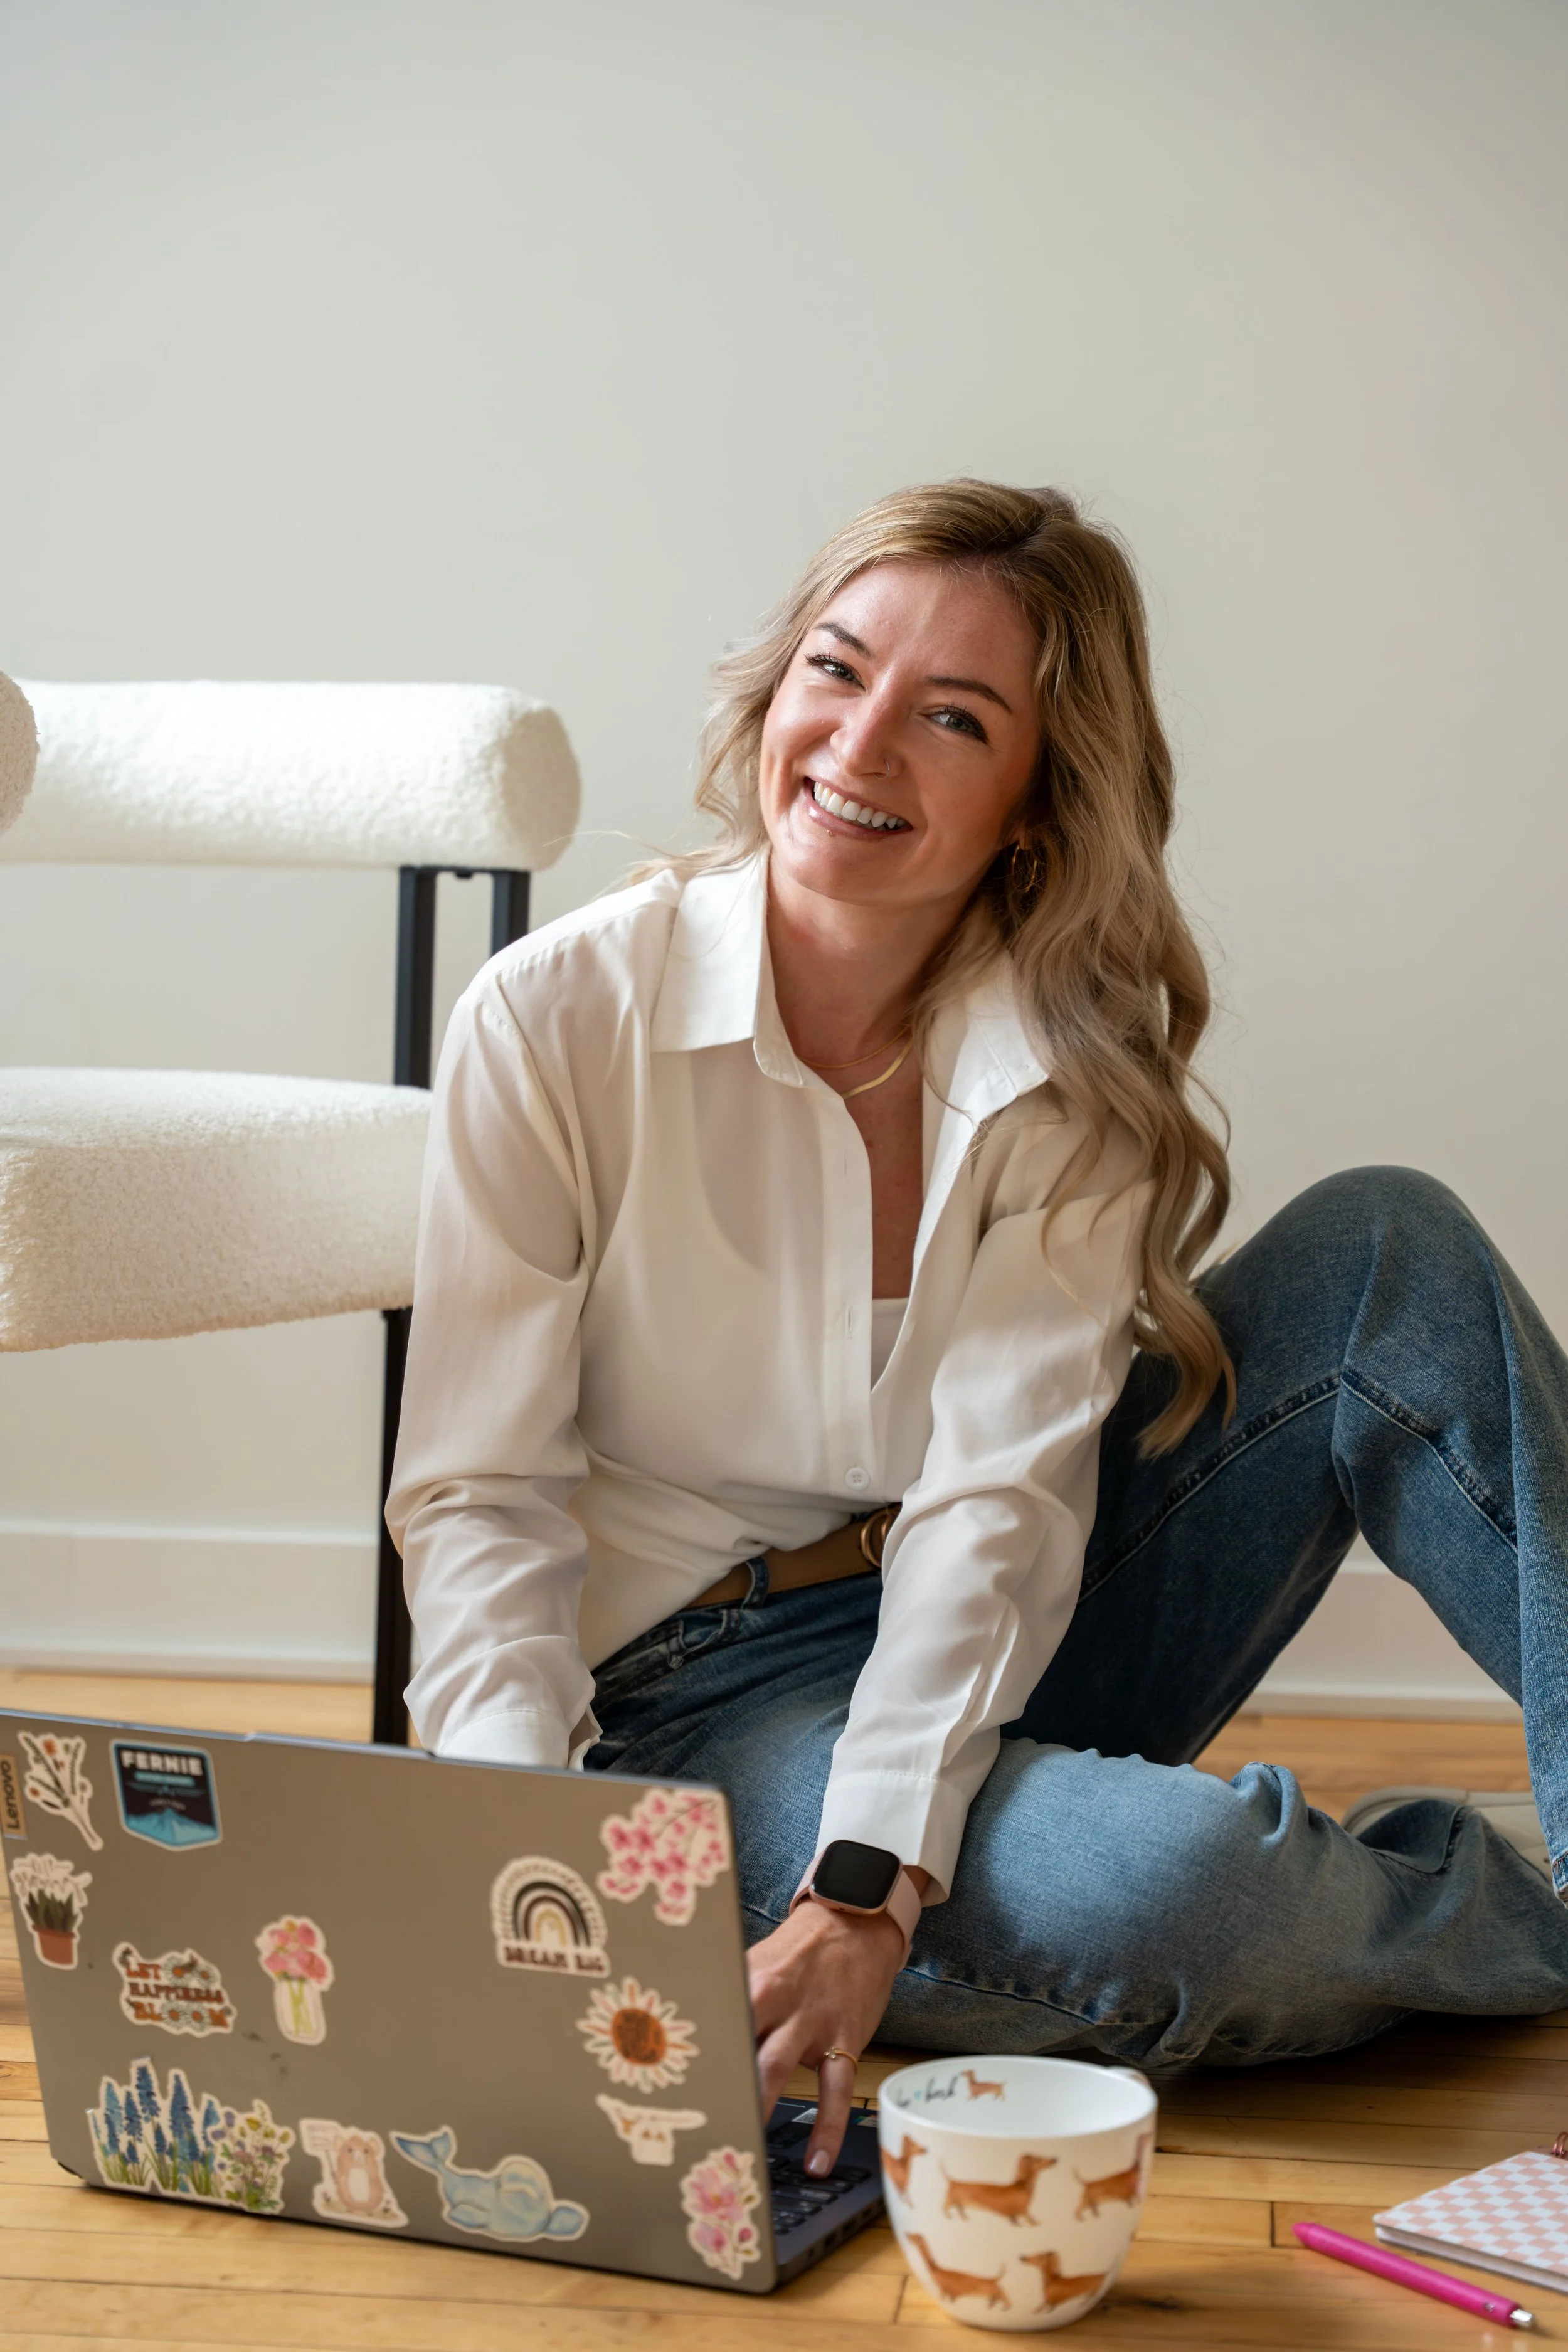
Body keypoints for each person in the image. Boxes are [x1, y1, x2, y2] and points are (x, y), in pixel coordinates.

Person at [388, 479, 1568, 2182]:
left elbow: (999, 1502)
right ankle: (1472, 1908)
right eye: (835, 670)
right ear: (770, 689)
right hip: (697, 1702)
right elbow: (479, 1496)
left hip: (1013, 1599)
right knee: (1186, 1892)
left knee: (1389, 1245)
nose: (859, 748)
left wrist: (872, 1887)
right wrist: (535, 1872)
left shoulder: (1062, 1067)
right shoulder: (558, 1017)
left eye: (952, 717)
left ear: (1034, 800)